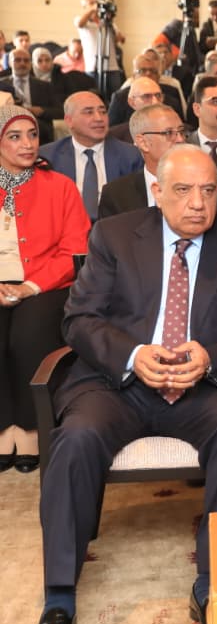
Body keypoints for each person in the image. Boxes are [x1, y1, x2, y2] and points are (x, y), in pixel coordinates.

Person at [32, 144, 217, 624]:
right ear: (158, 191)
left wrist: (210, 356)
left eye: (208, 190)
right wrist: (132, 354)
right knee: (75, 439)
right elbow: (78, 320)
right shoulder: (115, 235)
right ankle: (58, 597)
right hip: (117, 384)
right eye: (183, 190)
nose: (197, 203)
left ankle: (214, 582)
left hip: (200, 385)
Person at [0, 106, 91, 473]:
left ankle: (31, 430)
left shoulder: (60, 186)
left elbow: (75, 250)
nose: (27, 144)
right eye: (15, 136)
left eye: (32, 135)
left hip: (45, 284)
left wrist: (29, 286)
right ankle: (3, 429)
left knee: (28, 337)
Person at [100, 104, 217, 218]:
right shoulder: (115, 195)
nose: (180, 139)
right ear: (143, 142)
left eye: (181, 131)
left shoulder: (212, 189)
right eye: (168, 133)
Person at [38, 91, 143, 221]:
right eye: (89, 112)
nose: (99, 118)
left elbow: (135, 207)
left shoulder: (131, 156)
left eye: (103, 112)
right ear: (69, 121)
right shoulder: (47, 157)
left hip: (114, 226)